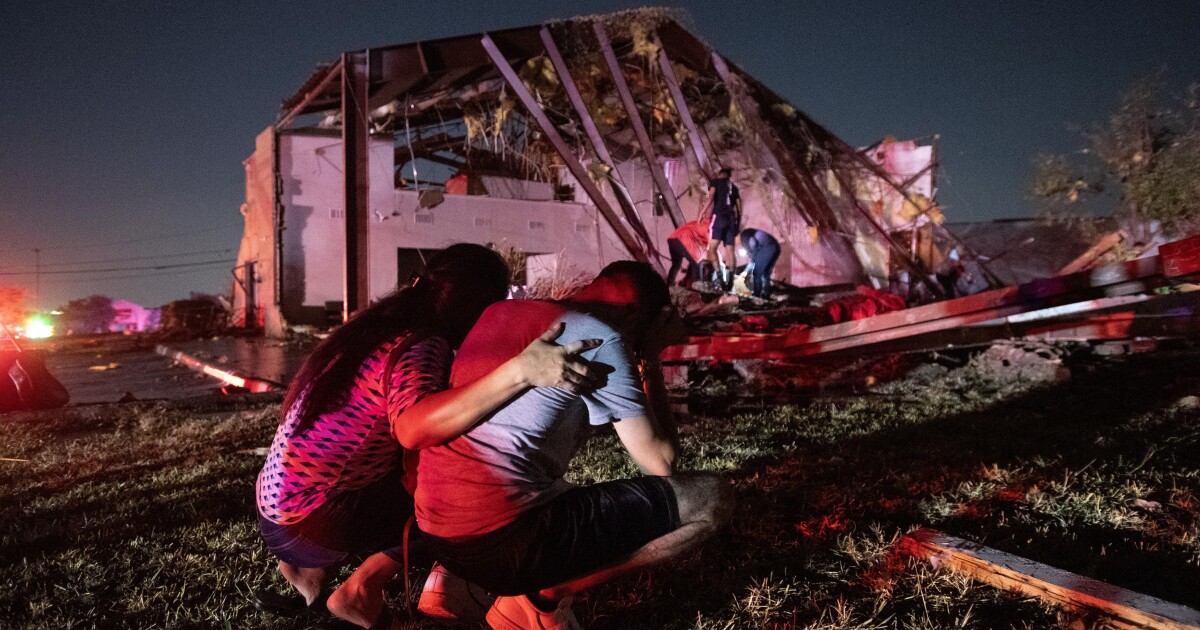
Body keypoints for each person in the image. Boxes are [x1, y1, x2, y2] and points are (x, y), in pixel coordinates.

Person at [254, 244, 601, 629]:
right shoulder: (421, 345)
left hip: (275, 512)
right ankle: (360, 590)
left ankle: (308, 576)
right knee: (456, 503)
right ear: (475, 306)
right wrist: (520, 372)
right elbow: (412, 426)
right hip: (313, 522)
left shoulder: (371, 330)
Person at [413, 261, 734, 630]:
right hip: (504, 543)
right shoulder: (602, 338)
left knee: (550, 485)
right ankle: (538, 599)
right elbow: (660, 462)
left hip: (438, 532)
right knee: (710, 497)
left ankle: (445, 583)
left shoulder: (500, 311)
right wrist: (650, 357)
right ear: (635, 316)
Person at [699, 167, 742, 291]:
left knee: (712, 248)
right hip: (731, 220)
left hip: (719, 217)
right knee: (731, 251)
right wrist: (738, 224)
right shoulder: (734, 188)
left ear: (721, 174)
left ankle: (720, 278)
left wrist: (702, 213)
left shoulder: (716, 182)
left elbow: (711, 197)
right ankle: (731, 282)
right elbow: (739, 209)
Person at [665, 216, 711, 287]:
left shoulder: (699, 222)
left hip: (672, 240)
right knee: (699, 266)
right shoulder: (710, 229)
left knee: (676, 265)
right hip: (683, 241)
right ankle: (698, 290)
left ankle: (669, 286)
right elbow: (708, 247)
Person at [737, 228, 781, 299]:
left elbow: (754, 244)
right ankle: (766, 294)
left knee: (757, 273)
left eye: (734, 240)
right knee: (765, 273)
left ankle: (757, 296)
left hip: (766, 247)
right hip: (776, 247)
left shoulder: (744, 235)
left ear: (737, 236)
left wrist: (746, 270)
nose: (735, 243)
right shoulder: (747, 235)